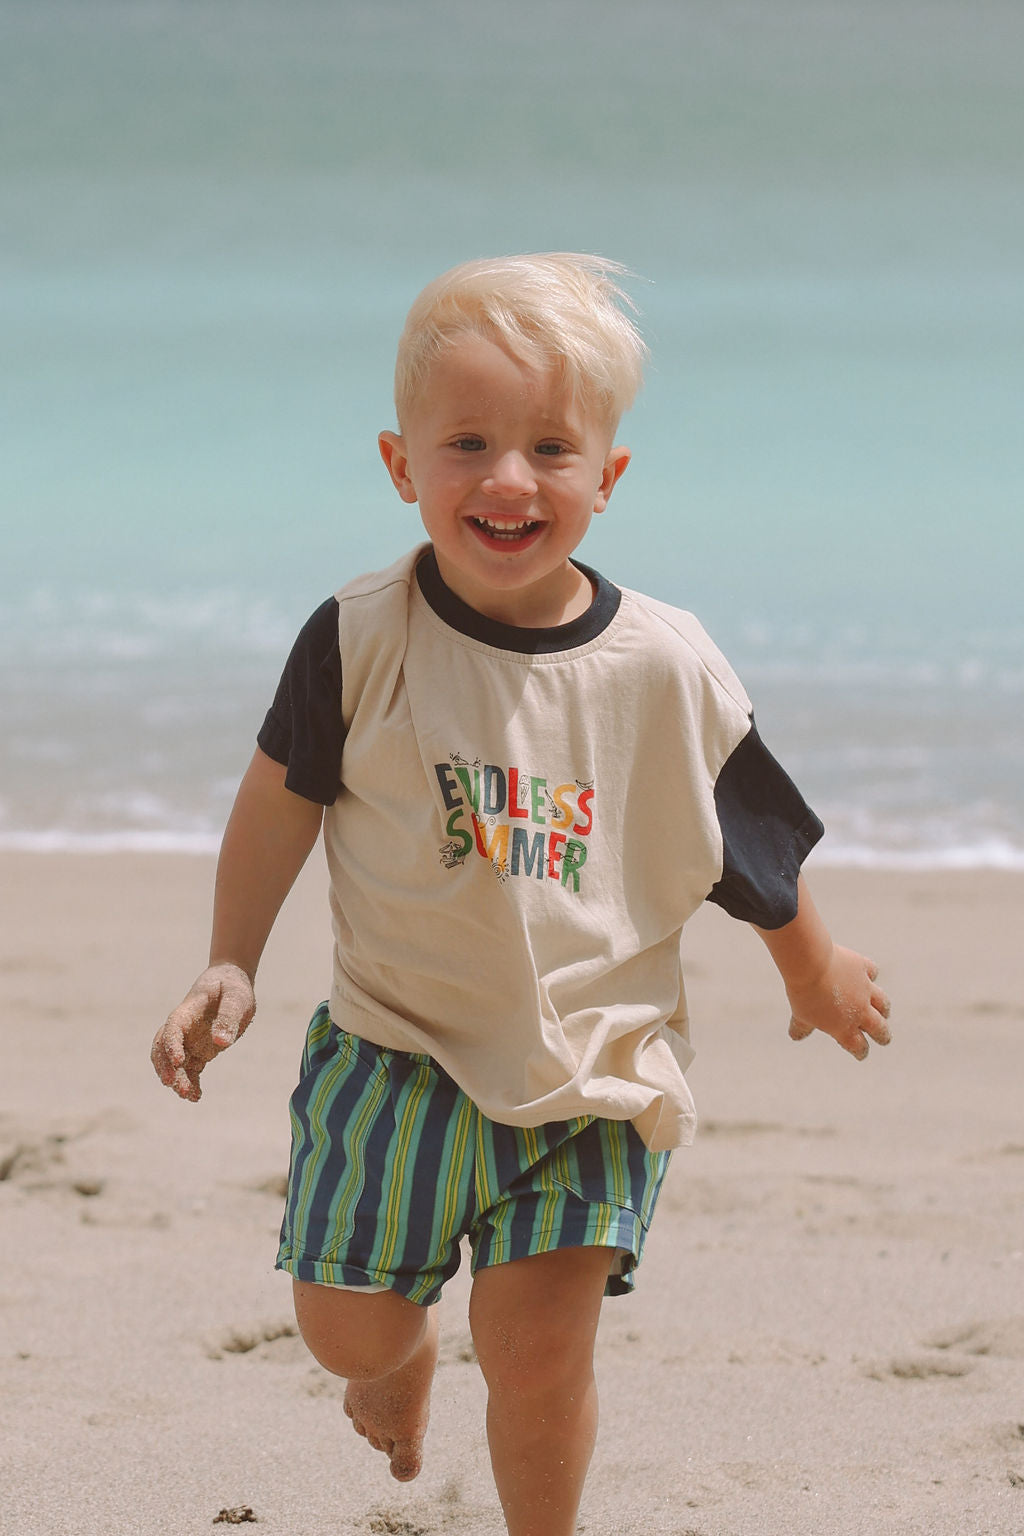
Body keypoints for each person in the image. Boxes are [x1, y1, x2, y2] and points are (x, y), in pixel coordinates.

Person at [151, 252, 891, 1536]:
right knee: (346, 1331)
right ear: (401, 466)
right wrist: (230, 961)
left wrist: (812, 973)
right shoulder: (362, 635)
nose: (507, 478)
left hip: (591, 1072)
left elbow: (748, 838)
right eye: (470, 443)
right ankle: (398, 1365)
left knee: (540, 1355)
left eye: (551, 447)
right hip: (395, 1055)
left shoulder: (660, 665)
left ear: (606, 478)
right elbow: (278, 801)